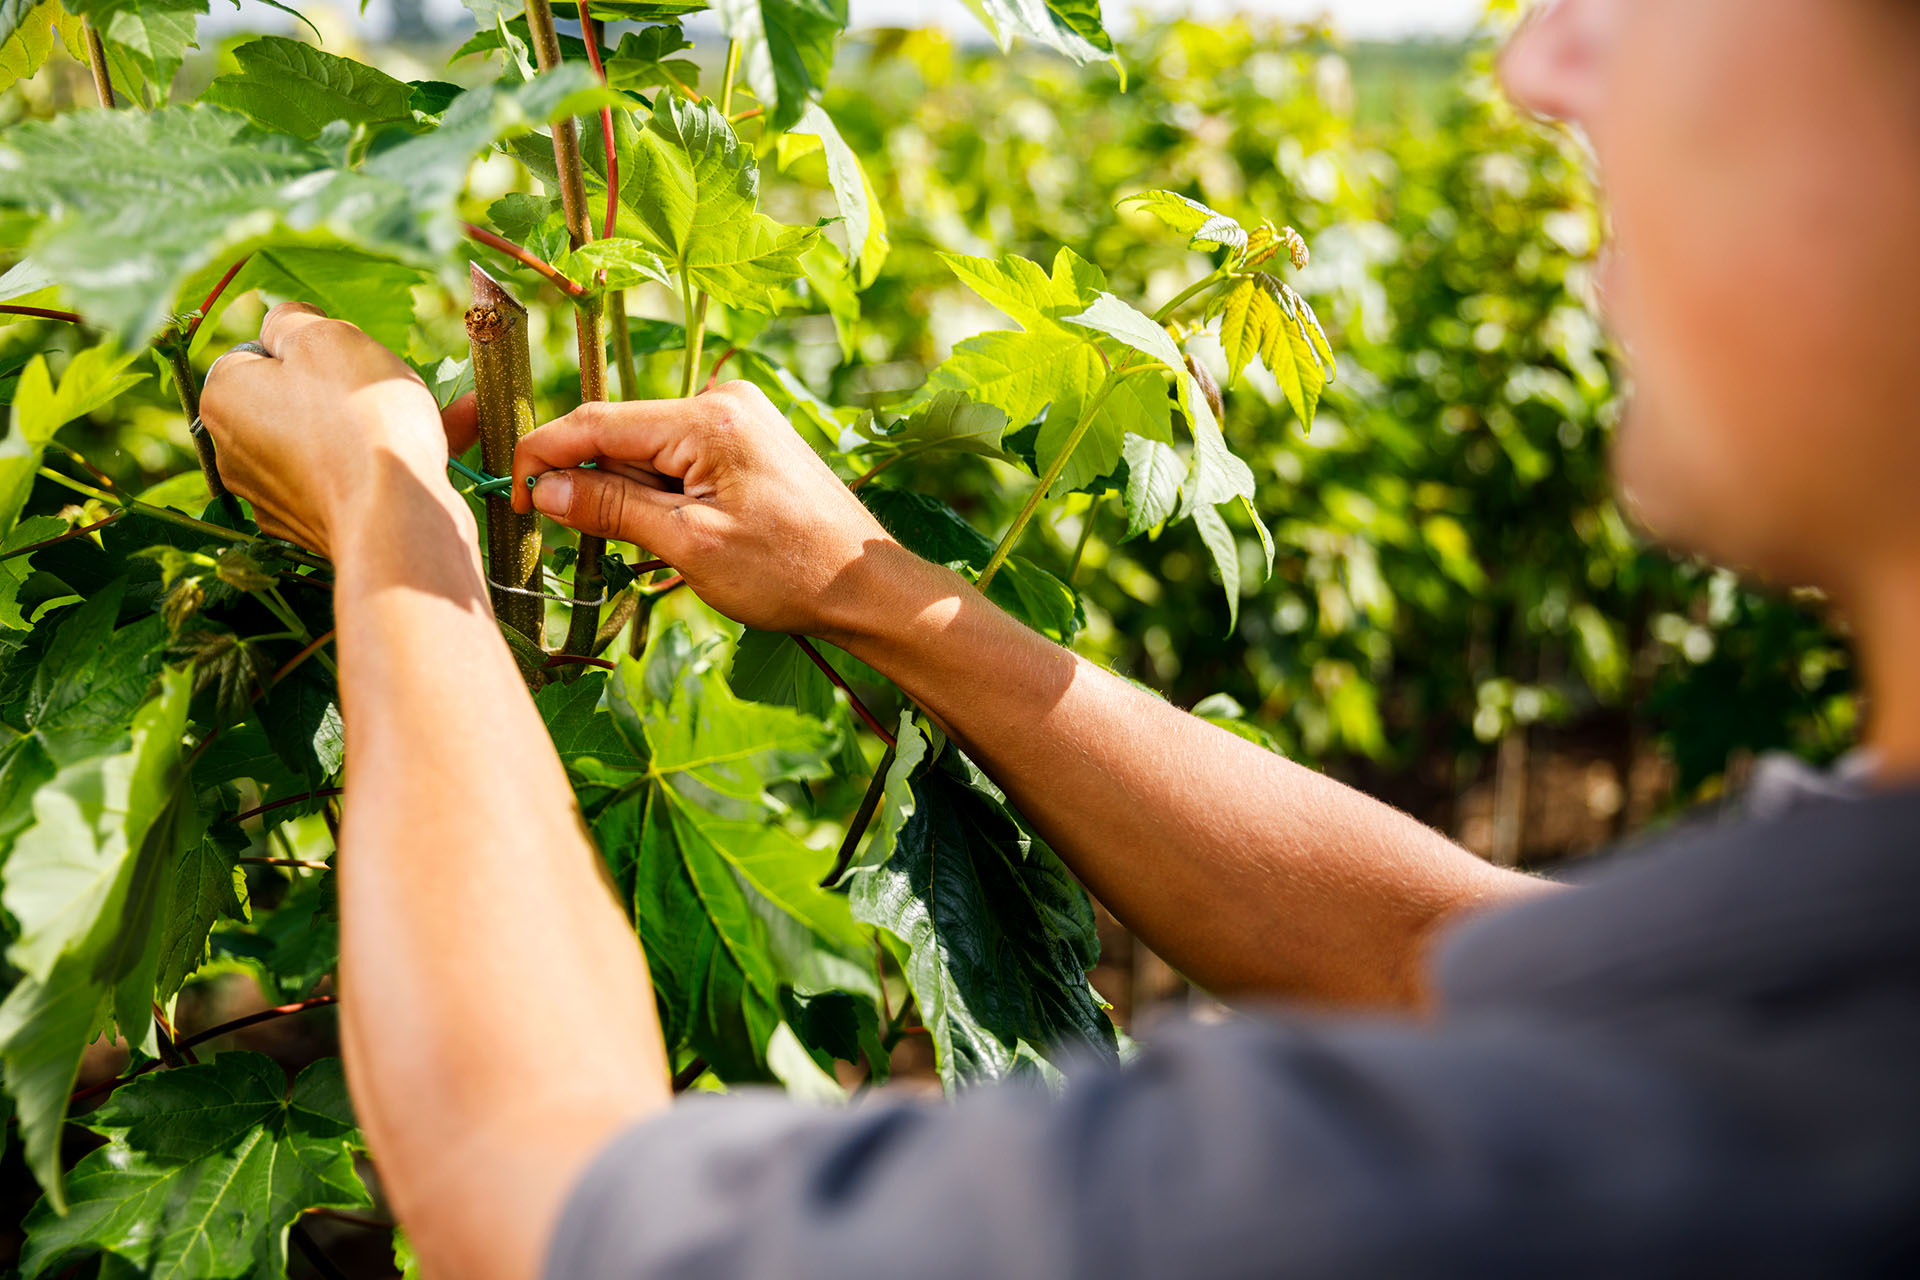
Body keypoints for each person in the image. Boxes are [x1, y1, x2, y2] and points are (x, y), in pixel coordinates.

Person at [197, 0, 1920, 1275]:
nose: (1543, 63)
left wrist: (391, 511)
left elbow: (539, 1193)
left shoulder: (1555, 1184)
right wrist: (872, 582)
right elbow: (1432, 965)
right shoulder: (1826, 1005)